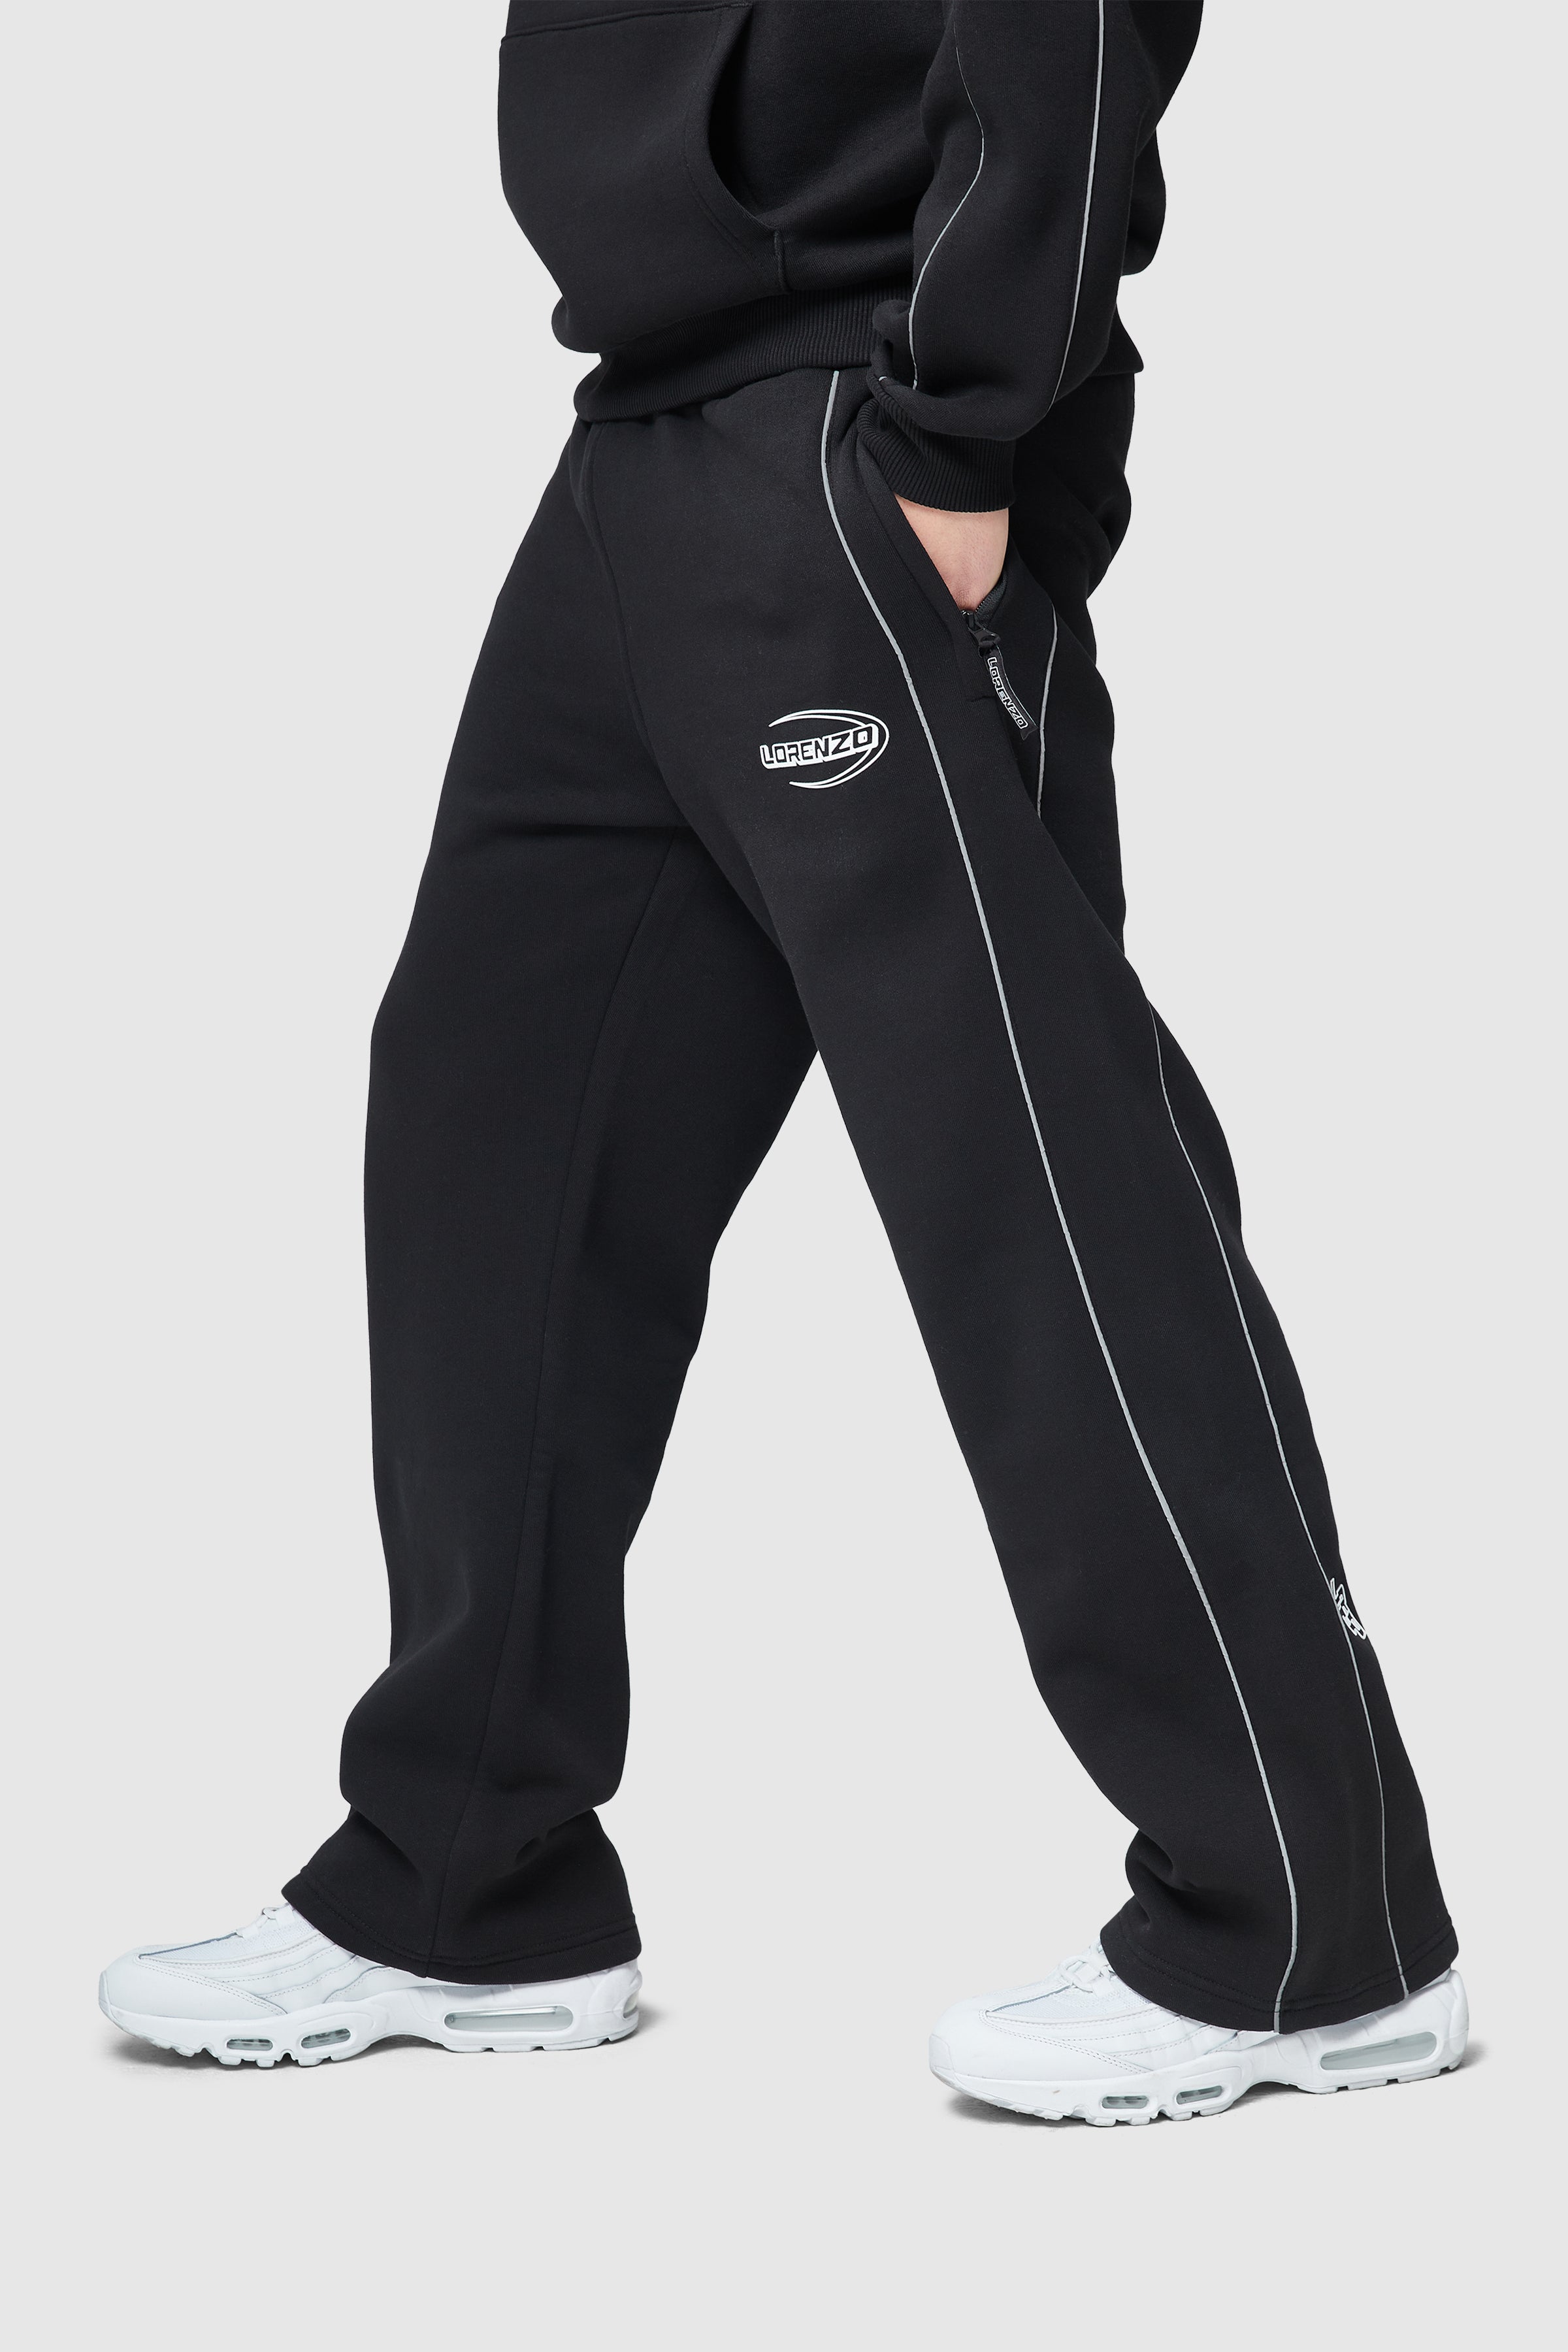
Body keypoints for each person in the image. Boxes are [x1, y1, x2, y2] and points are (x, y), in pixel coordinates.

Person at [100, 0, 1466, 2123]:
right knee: (488, 1120)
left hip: (866, 414)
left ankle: (1312, 1919)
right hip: (646, 417)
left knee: (1026, 1166)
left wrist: (963, 414)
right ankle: (469, 1871)